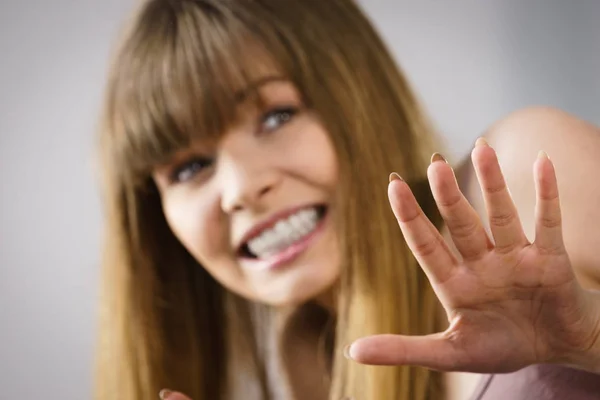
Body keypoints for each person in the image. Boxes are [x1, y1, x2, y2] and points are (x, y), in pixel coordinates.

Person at [94, 0, 600, 399]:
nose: (240, 188)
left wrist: (590, 339)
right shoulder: (312, 352)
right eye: (189, 168)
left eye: (275, 117)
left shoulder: (524, 172)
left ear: (358, 94)